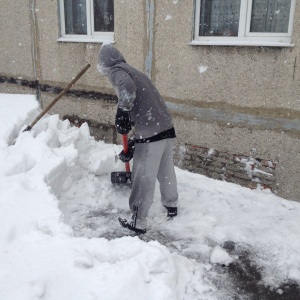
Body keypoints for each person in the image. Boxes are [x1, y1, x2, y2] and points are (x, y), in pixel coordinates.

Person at [97, 43, 178, 235]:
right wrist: (134, 140)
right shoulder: (133, 70)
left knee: (142, 177)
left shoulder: (116, 71)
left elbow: (127, 88)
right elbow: (143, 105)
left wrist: (123, 111)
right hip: (165, 127)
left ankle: (138, 221)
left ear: (105, 64)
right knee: (165, 170)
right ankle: (171, 205)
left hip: (151, 131)